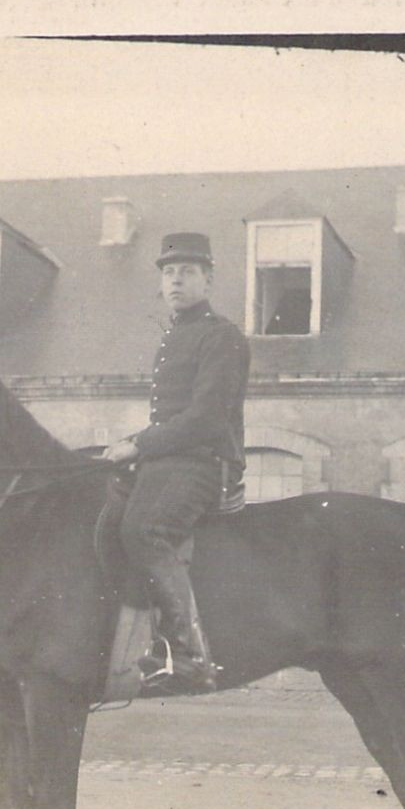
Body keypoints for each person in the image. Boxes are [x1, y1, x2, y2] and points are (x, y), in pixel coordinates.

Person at [102, 232, 250, 692]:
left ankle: (187, 653)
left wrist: (140, 444)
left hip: (204, 462)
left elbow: (205, 419)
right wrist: (132, 444)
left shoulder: (221, 336)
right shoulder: (173, 338)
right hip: (168, 460)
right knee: (103, 509)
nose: (176, 281)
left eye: (187, 272)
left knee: (145, 529)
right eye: (169, 273)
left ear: (208, 279)